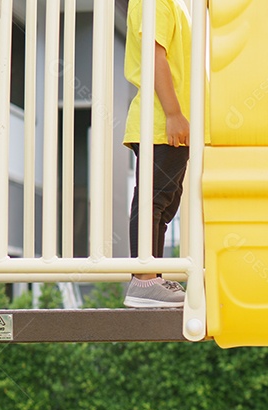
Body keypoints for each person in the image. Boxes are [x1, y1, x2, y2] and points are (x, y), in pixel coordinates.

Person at [122, 0, 192, 308]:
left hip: (171, 124)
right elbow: (154, 54)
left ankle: (151, 277)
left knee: (165, 203)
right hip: (160, 122)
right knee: (154, 199)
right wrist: (174, 113)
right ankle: (144, 279)